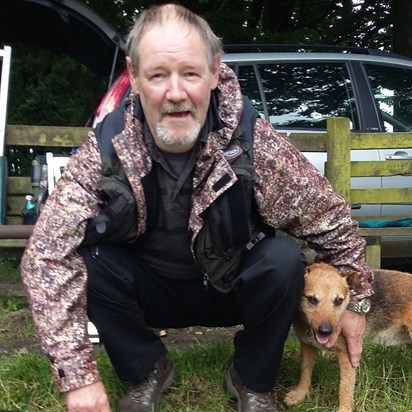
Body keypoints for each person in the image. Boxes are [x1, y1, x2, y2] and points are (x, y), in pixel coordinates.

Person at [20, 3, 374, 412]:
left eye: (189, 73)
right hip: (149, 288)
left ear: (213, 71)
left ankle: (252, 379)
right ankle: (146, 369)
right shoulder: (105, 148)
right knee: (91, 257)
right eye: (157, 75)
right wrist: (76, 375)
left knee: (283, 259)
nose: (175, 93)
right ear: (134, 76)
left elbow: (331, 220)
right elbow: (46, 255)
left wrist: (358, 303)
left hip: (230, 285)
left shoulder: (252, 140)